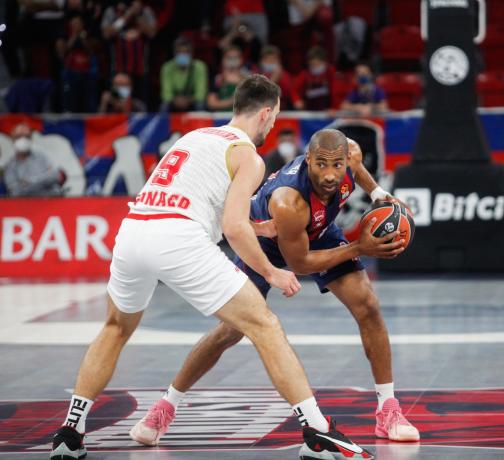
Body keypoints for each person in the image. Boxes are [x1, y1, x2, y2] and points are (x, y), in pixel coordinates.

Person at [49, 75, 373, 460]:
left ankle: (71, 432)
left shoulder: (194, 138)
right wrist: (273, 273)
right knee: (264, 325)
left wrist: (258, 228)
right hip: (178, 239)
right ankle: (318, 431)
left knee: (115, 328)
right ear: (267, 113)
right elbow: (231, 228)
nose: (272, 126)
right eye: (274, 118)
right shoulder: (248, 156)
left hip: (133, 233)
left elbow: (204, 203)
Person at [128, 129, 419, 451]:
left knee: (368, 306)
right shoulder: (289, 200)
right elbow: (301, 263)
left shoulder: (349, 153)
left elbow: (357, 169)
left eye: (337, 165)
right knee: (230, 331)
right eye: (321, 165)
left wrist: (379, 195)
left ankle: (388, 409)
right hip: (266, 243)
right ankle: (166, 406)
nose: (330, 174)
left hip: (318, 232)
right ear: (308, 160)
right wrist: (358, 248)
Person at [3, 123, 64, 197]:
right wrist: (44, 180)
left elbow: (55, 175)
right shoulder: (10, 166)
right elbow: (15, 192)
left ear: (31, 138)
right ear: (12, 139)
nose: (23, 140)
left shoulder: (42, 156)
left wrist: (29, 182)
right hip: (26, 205)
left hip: (52, 201)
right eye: (18, 137)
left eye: (26, 137)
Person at [160, 36, 208, 112]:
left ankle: (200, 124)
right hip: (174, 102)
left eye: (186, 52)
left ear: (191, 53)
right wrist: (176, 100)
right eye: (180, 52)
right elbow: (166, 94)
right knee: (164, 106)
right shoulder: (167, 67)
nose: (183, 55)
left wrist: (188, 100)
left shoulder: (199, 67)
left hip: (192, 101)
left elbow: (200, 94)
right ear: (174, 54)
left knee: (200, 105)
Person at [206, 46, 249, 112]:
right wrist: (231, 101)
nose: (232, 60)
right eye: (229, 57)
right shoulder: (217, 80)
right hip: (221, 118)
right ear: (223, 60)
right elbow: (211, 103)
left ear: (241, 60)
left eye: (236, 57)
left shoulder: (248, 80)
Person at [292, 45, 335, 110]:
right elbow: (294, 89)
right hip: (310, 109)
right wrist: (297, 100)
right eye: (312, 65)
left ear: (324, 62)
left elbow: (336, 92)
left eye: (317, 64)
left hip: (328, 109)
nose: (315, 67)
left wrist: (334, 107)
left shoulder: (331, 72)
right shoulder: (304, 74)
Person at [258, 45, 294, 110]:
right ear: (262, 60)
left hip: (281, 112)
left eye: (273, 60)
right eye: (268, 60)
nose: (270, 62)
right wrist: (273, 80)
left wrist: (279, 77)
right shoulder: (256, 75)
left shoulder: (284, 75)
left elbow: (287, 94)